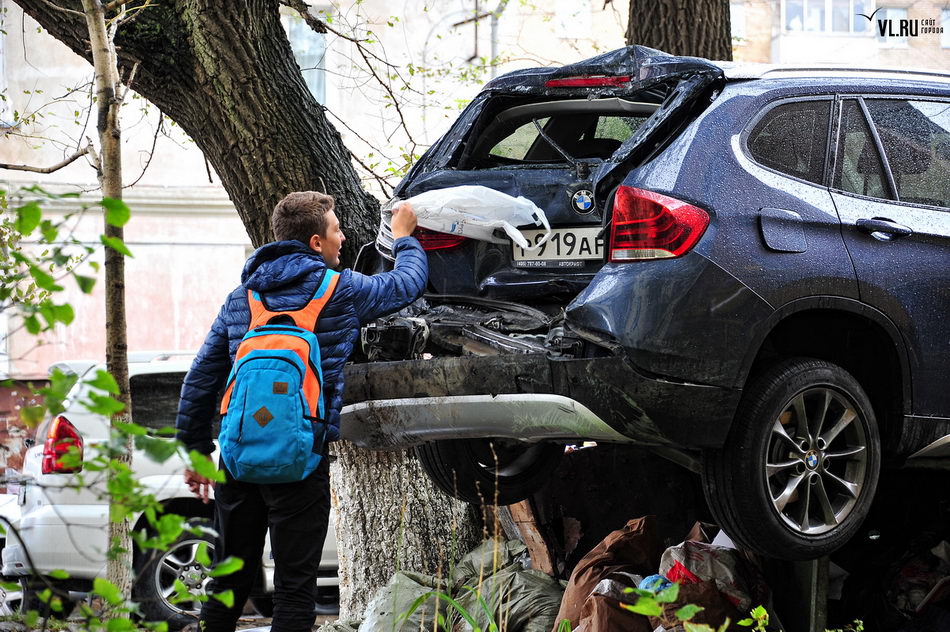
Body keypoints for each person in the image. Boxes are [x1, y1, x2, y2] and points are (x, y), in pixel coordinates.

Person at [175, 191, 427, 632]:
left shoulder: (242, 297)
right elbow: (405, 285)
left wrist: (195, 453)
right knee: (295, 587)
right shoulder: (339, 289)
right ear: (315, 242)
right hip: (300, 456)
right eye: (335, 229)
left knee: (227, 583)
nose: (343, 238)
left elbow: (201, 378)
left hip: (237, 459)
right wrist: (404, 237)